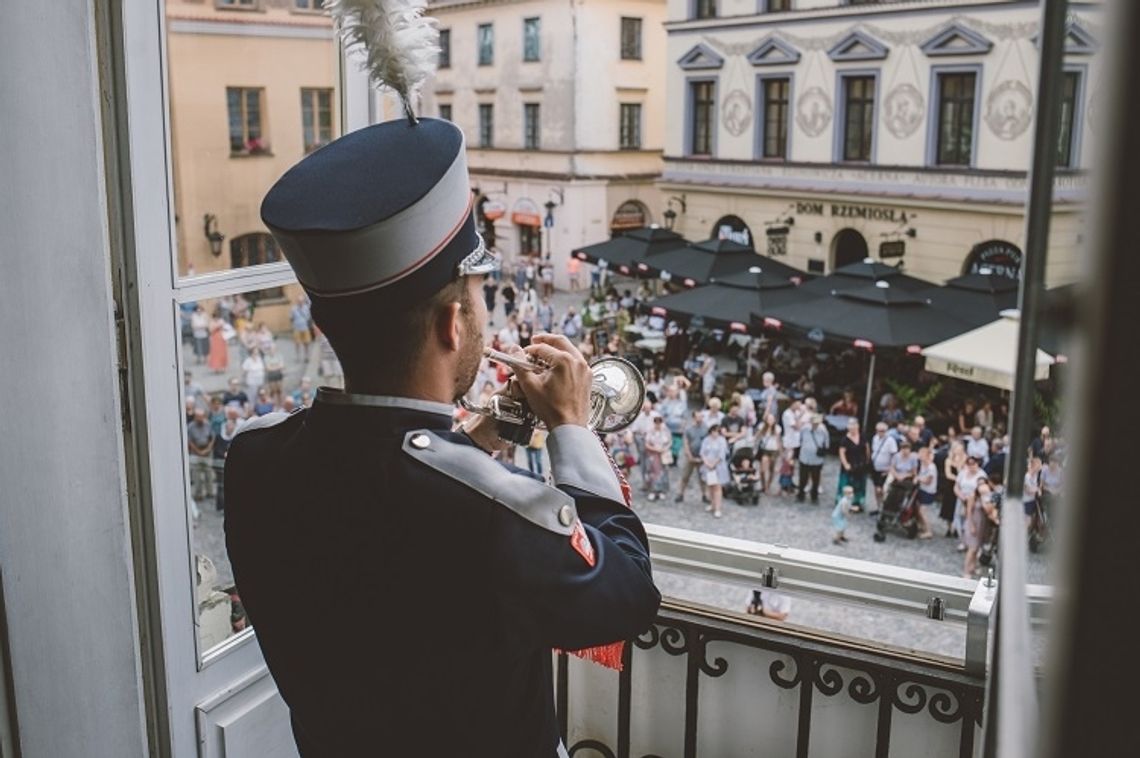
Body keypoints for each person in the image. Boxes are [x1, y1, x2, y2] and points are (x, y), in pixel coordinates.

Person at [226, 117, 659, 757]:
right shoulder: (487, 512)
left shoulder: (255, 458)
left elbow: (381, 511)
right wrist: (570, 423)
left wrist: (479, 439)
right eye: (481, 301)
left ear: (322, 322)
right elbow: (625, 591)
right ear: (455, 323)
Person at [675, 409, 708, 504]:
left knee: (702, 478)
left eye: (701, 417)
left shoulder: (706, 428)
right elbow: (686, 443)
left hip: (701, 457)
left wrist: (704, 457)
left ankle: (704, 495)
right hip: (691, 456)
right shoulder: (689, 429)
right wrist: (689, 455)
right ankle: (680, 494)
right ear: (694, 418)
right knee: (685, 476)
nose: (700, 419)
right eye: (698, 417)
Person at [837, 418, 869, 513]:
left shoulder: (863, 437)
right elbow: (842, 453)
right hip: (850, 465)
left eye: (854, 426)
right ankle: (845, 504)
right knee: (847, 485)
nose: (853, 428)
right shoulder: (844, 440)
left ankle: (858, 503)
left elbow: (867, 449)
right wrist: (846, 464)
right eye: (851, 426)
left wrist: (867, 461)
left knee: (860, 485)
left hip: (861, 466)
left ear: (858, 426)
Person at [795, 414, 829, 503]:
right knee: (803, 478)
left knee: (816, 478)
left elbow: (826, 443)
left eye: (817, 423)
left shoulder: (823, 430)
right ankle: (801, 494)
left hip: (816, 459)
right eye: (814, 423)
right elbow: (800, 439)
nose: (815, 425)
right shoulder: (804, 429)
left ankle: (814, 496)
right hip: (805, 457)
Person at [868, 422, 899, 516]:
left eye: (883, 431)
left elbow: (894, 455)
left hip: (885, 469)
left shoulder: (890, 441)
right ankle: (878, 507)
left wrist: (890, 469)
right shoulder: (875, 438)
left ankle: (884, 508)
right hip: (875, 467)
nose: (880, 433)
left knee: (882, 490)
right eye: (879, 431)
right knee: (876, 488)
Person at [699, 423, 729, 518]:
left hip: (718, 467)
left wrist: (713, 464)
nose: (715, 433)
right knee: (710, 486)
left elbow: (721, 455)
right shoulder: (706, 440)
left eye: (717, 432)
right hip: (708, 466)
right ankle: (712, 504)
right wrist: (707, 463)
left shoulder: (722, 441)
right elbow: (702, 452)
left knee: (717, 488)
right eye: (713, 431)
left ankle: (718, 508)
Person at [644, 416, 672, 502]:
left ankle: (661, 491)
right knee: (653, 473)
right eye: (656, 422)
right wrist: (655, 449)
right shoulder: (650, 432)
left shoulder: (665, 431)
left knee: (663, 473)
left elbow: (670, 442)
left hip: (663, 455)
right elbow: (647, 444)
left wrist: (665, 449)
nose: (658, 424)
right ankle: (653, 491)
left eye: (659, 422)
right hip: (653, 455)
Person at [756, 413, 782, 495]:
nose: (770, 421)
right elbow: (757, 436)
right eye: (769, 419)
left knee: (771, 470)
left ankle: (768, 485)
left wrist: (781, 452)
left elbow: (778, 440)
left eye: (772, 419)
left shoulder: (777, 428)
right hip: (765, 450)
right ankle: (764, 486)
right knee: (763, 469)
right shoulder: (762, 427)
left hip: (774, 450)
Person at [290, 296, 313, 364]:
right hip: (297, 328)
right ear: (297, 301)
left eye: (301, 301)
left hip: (305, 327)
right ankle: (298, 356)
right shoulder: (293, 308)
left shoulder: (306, 308)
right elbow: (291, 318)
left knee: (306, 343)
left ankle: (306, 356)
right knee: (297, 343)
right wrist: (293, 325)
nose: (300, 302)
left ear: (303, 301)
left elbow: (309, 317)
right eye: (299, 301)